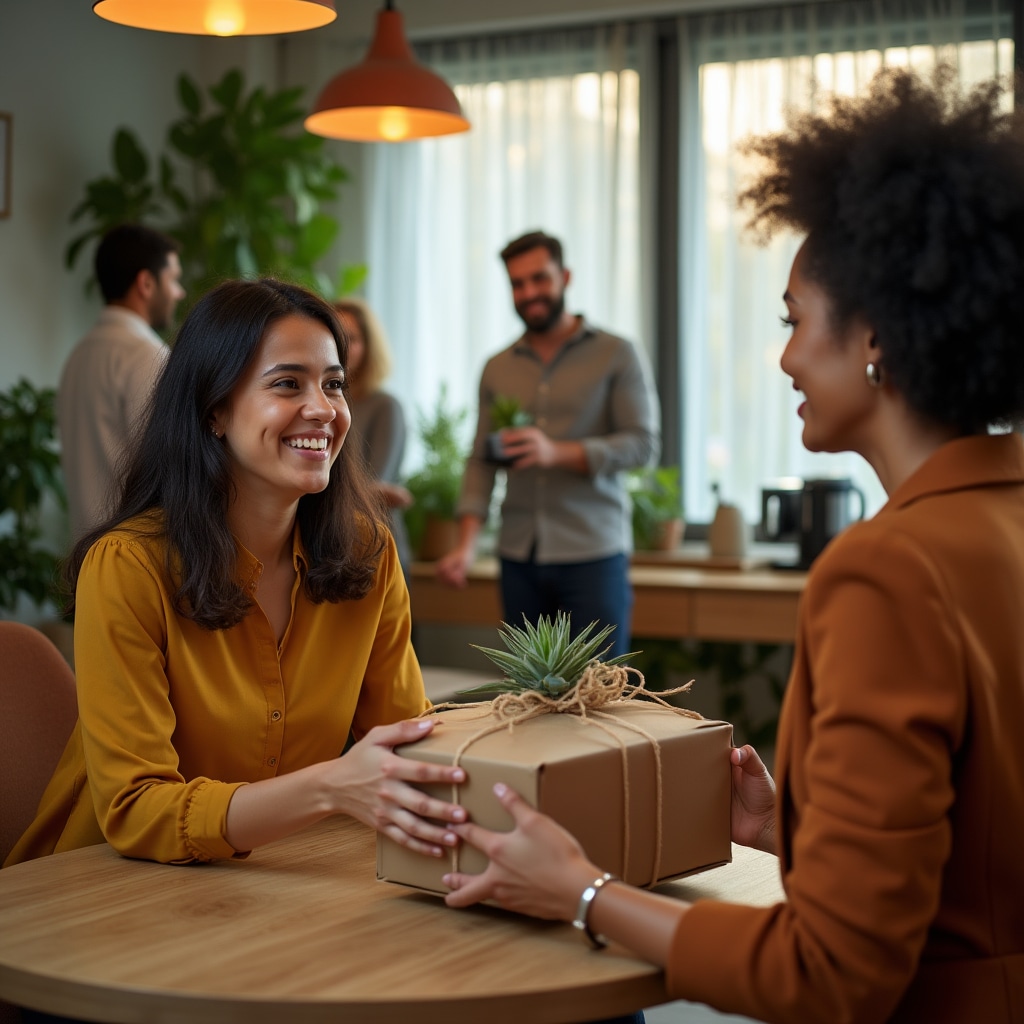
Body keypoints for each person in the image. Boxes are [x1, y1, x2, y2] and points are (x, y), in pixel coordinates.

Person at [440, 67, 1024, 1023]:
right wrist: (791, 828)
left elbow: (834, 973)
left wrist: (584, 893)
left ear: (873, 334)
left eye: (794, 323)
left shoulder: (886, 570)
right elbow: (979, 844)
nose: (787, 357)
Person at [5, 278, 467, 869]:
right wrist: (329, 787)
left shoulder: (367, 552)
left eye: (333, 384)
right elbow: (134, 809)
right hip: (107, 886)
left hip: (280, 878)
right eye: (287, 384)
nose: (323, 409)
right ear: (215, 409)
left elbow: (407, 739)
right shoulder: (129, 567)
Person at [435, 231, 660, 658]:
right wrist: (465, 548)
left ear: (566, 276)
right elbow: (481, 462)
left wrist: (556, 452)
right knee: (530, 699)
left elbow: (643, 445)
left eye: (539, 279)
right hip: (518, 559)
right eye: (518, 284)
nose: (529, 293)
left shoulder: (617, 354)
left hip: (593, 556)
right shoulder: (497, 368)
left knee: (599, 698)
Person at [57, 223, 186, 539]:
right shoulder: (146, 355)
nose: (180, 292)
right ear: (145, 283)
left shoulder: (78, 354)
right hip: (133, 557)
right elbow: (167, 470)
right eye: (173, 279)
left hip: (87, 555)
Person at [333, 297, 413, 574]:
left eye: (351, 339)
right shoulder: (320, 406)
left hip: (375, 549)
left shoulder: (385, 407)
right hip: (328, 548)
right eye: (335, 336)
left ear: (369, 347)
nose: (342, 347)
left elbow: (372, 491)